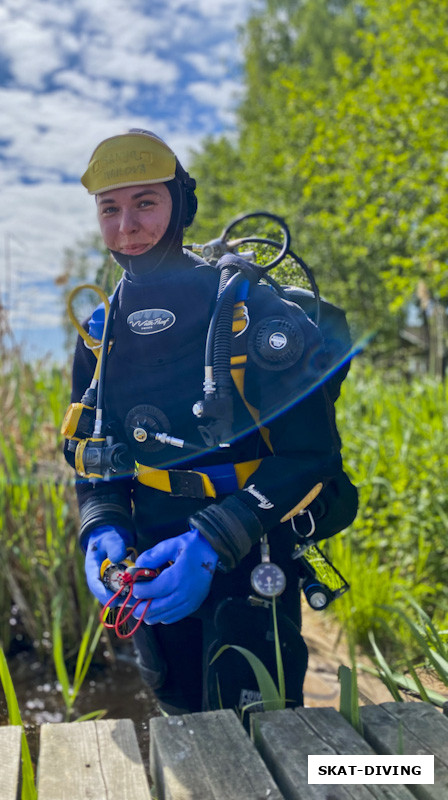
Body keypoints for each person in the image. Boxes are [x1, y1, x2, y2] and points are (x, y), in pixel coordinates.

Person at [63, 129, 357, 718]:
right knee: (174, 704)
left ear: (180, 206)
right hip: (146, 561)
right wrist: (101, 528)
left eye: (146, 202)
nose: (127, 226)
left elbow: (312, 457)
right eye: (110, 208)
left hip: (250, 550)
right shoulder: (100, 335)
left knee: (262, 721)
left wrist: (211, 540)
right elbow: (96, 458)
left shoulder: (253, 319)